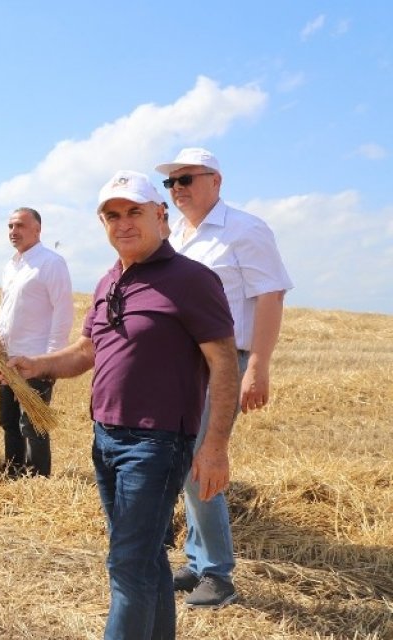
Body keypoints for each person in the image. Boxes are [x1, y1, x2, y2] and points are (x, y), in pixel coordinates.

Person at [3, 170, 238, 639]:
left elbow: (225, 364)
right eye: (112, 215)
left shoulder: (192, 280)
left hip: (159, 442)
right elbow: (86, 352)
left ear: (160, 215)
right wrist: (32, 365)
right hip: (106, 436)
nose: (123, 223)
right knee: (146, 558)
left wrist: (214, 447)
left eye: (134, 212)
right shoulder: (110, 279)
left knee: (126, 564)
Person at [156, 148, 293, 608]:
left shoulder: (246, 229)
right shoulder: (176, 233)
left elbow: (270, 296)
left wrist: (258, 363)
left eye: (186, 179)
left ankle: (218, 574)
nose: (178, 189)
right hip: (180, 360)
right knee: (185, 461)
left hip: (223, 360)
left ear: (216, 180)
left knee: (203, 462)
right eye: (171, 182)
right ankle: (197, 563)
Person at [0, 207, 73, 477]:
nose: (13, 232)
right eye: (10, 226)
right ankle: (13, 470)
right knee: (8, 420)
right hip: (8, 358)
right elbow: (5, 310)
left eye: (20, 226)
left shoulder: (52, 263)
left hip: (35, 359)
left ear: (37, 229)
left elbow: (63, 312)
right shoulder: (10, 265)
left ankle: (38, 477)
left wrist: (51, 362)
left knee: (33, 423)